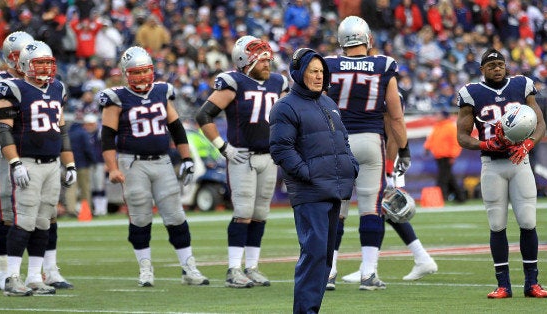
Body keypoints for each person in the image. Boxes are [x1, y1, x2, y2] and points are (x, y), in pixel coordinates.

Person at [0, 31, 73, 291]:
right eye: (15, 56)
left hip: (42, 153)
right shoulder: (0, 80)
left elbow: (60, 125)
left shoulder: (49, 83)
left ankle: (48, 270)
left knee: (48, 215)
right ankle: (5, 273)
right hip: (9, 150)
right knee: (12, 215)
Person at [99, 46, 209, 287]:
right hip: (133, 162)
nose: (141, 77)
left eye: (145, 71)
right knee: (140, 216)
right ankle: (145, 267)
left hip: (162, 161)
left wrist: (187, 158)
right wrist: (112, 167)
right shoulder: (116, 97)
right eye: (136, 72)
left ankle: (188, 267)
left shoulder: (161, 91)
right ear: (126, 74)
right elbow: (107, 136)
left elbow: (176, 127)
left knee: (175, 215)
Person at [322, 16, 411, 290]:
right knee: (371, 209)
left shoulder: (328, 65)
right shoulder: (383, 65)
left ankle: (329, 272)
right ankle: (368, 274)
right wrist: (404, 149)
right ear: (367, 38)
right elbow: (395, 115)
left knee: (336, 211)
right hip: (371, 141)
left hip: (337, 142)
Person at [194, 35, 289, 288]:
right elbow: (203, 115)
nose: (268, 64)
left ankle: (252, 267)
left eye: (269, 60)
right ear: (245, 61)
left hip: (268, 157)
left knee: (260, 214)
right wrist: (223, 147)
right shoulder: (233, 82)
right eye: (262, 60)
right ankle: (233, 269)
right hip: (242, 157)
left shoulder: (278, 82)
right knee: (243, 212)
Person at [456, 48, 547, 299]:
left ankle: (532, 283)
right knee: (497, 225)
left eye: (500, 64)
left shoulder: (521, 85)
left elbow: (540, 123)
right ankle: (503, 285)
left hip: (520, 162)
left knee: (528, 222)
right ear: (482, 70)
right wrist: (486, 144)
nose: (496, 68)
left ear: (505, 66)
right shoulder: (472, 93)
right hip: (492, 164)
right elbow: (462, 137)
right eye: (491, 65)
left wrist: (529, 144)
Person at [270, 47, 358, 313]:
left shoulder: (329, 103)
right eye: (312, 71)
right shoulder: (285, 106)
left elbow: (342, 139)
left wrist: (350, 165)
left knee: (325, 258)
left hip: (334, 188)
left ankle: (311, 309)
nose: (319, 76)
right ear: (299, 73)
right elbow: (281, 149)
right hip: (310, 193)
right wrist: (308, 174)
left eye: (321, 71)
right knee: (314, 254)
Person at [0, 40, 77, 296]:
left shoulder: (58, 88)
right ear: (24, 65)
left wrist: (69, 162)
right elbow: (2, 129)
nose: (44, 68)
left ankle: (34, 277)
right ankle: (11, 278)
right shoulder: (12, 88)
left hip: (52, 164)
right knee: (24, 221)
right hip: (27, 162)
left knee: (43, 222)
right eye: (38, 63)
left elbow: (60, 129)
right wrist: (15, 162)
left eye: (47, 63)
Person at [424, 110, 466, 203]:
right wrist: (427, 147)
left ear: (444, 116)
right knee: (449, 178)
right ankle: (460, 197)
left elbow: (456, 143)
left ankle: (441, 197)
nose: (436, 116)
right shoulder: (437, 126)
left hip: (447, 156)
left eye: (438, 115)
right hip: (439, 156)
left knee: (442, 179)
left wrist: (453, 156)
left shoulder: (450, 127)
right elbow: (431, 139)